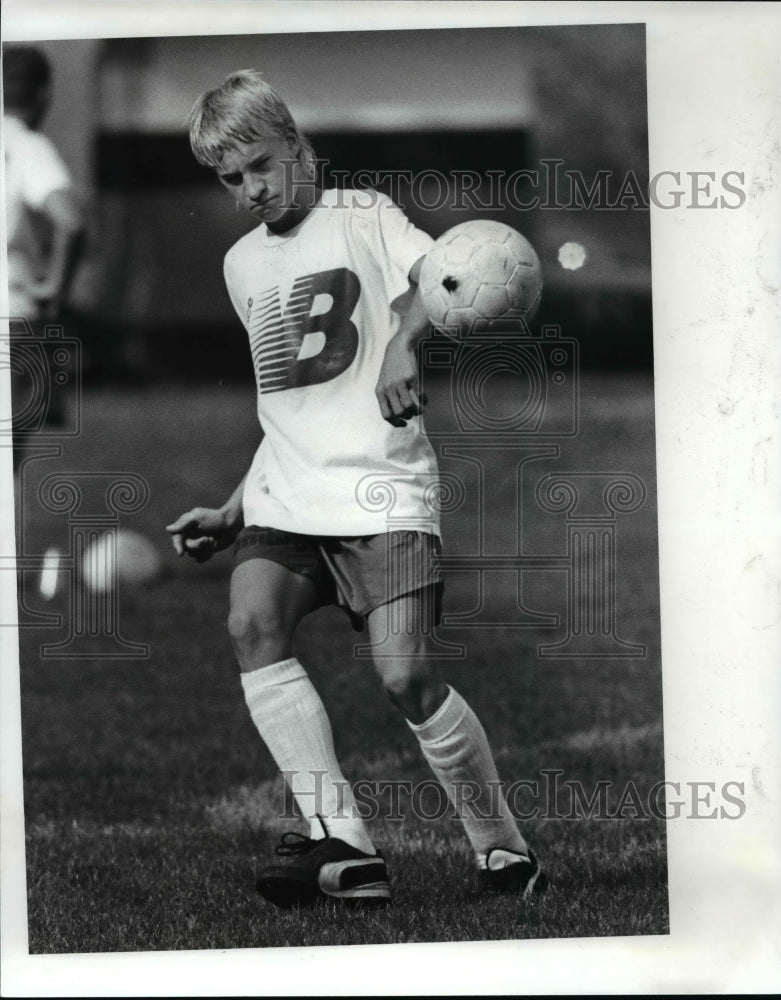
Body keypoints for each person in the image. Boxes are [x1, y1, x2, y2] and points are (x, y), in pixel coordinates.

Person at [167, 69, 546, 908]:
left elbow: (438, 276)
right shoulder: (240, 266)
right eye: (229, 180)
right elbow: (287, 408)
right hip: (287, 494)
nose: (249, 190)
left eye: (261, 165)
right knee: (250, 621)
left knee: (404, 676)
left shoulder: (363, 215)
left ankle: (501, 850)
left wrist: (401, 346)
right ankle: (343, 842)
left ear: (298, 145)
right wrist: (234, 508)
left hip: (383, 489)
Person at [3, 45, 84, 467]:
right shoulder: (25, 146)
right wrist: (55, 288)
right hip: (12, 314)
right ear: (42, 94)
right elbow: (71, 220)